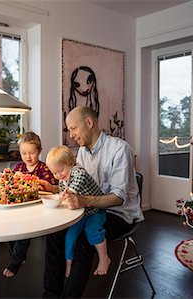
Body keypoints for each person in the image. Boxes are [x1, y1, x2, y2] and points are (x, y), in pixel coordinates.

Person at [43, 106, 144, 297]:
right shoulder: (82, 152)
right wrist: (54, 189)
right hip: (90, 209)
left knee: (84, 240)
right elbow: (77, 185)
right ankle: (50, 294)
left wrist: (83, 201)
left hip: (119, 214)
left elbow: (118, 198)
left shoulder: (120, 149)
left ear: (89, 123)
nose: (71, 134)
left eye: (73, 128)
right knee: (54, 232)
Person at [45, 145, 110, 279]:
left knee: (92, 231)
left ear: (71, 163)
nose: (58, 175)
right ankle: (69, 262)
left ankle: (104, 258)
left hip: (95, 210)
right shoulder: (63, 180)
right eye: (54, 173)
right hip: (81, 213)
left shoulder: (77, 171)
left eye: (61, 170)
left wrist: (70, 192)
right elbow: (63, 194)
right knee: (70, 236)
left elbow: (79, 179)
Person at [3, 131, 58, 278]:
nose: (28, 157)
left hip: (37, 209)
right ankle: (19, 256)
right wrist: (9, 178)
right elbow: (11, 184)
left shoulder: (45, 169)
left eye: (32, 153)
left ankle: (15, 262)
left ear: (39, 151)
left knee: (23, 232)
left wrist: (44, 186)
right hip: (20, 207)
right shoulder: (19, 168)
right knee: (9, 230)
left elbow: (54, 187)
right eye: (24, 153)